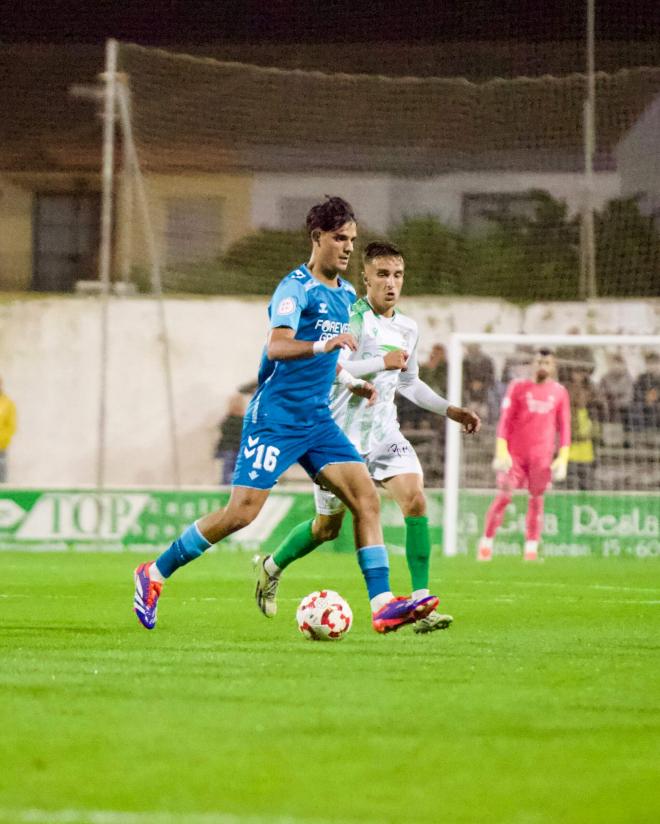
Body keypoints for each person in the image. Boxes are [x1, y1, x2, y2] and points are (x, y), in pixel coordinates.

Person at [133, 196, 439, 633]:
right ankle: (154, 573)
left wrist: (354, 382)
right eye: (340, 239)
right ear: (317, 238)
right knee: (241, 513)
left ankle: (384, 604)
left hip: (317, 420)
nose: (348, 248)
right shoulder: (294, 287)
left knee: (366, 500)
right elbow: (278, 346)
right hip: (275, 418)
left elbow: (329, 364)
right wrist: (323, 345)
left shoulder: (346, 294)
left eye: (352, 239)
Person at [254, 241, 481, 633]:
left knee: (415, 500)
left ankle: (420, 605)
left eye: (397, 276)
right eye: (382, 275)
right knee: (327, 528)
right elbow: (334, 364)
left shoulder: (408, 328)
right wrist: (380, 363)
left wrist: (451, 410)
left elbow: (409, 382)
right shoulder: (352, 317)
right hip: (338, 437)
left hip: (384, 433)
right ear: (366, 278)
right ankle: (271, 566)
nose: (391, 284)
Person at [477, 349, 571, 562]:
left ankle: (531, 549)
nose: (542, 366)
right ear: (532, 364)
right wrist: (501, 450)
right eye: (539, 361)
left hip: (542, 457)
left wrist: (563, 457)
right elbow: (505, 420)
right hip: (515, 455)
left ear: (553, 366)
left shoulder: (559, 392)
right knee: (505, 495)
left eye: (547, 362)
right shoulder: (517, 387)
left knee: (537, 499)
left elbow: (565, 427)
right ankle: (486, 543)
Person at [214, 391, 247, 485]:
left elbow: (224, 438)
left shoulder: (226, 420)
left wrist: (218, 451)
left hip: (228, 451)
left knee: (227, 476)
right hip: (238, 451)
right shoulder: (244, 421)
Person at [0, 378, 17, 484]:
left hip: (1, 447)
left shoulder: (7, 403)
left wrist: (2, 440)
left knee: (1, 476)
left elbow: (11, 426)